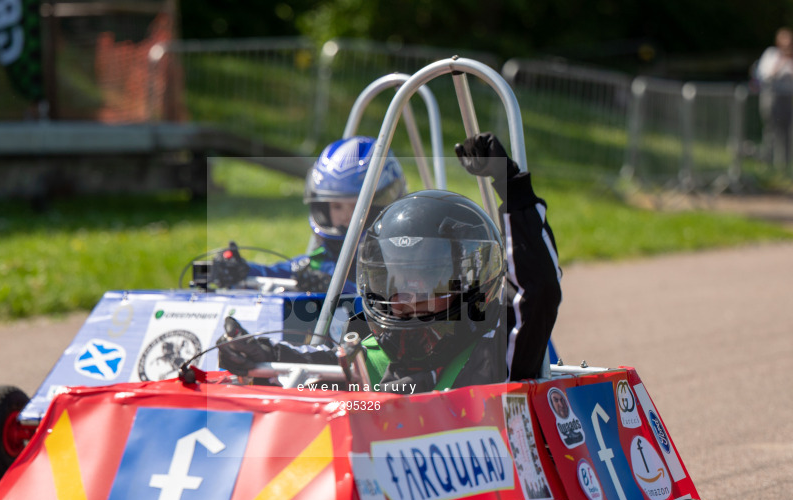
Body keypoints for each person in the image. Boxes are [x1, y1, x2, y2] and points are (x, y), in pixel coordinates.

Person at [217, 132, 562, 392]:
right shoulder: (368, 352)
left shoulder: (495, 352)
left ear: (470, 288)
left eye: (427, 280)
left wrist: (512, 188)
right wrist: (257, 355)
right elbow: (306, 371)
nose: (406, 295)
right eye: (395, 281)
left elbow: (540, 288)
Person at [209, 136, 407, 293]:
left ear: (381, 206)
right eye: (337, 207)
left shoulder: (398, 262)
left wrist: (336, 289)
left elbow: (389, 305)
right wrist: (240, 269)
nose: (346, 217)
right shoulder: (323, 262)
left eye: (356, 207)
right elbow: (282, 272)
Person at [753, 28, 793, 170]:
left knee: (787, 133)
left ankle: (783, 165)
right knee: (771, 131)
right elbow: (765, 75)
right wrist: (781, 62)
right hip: (772, 98)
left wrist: (792, 62)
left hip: (788, 100)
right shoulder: (771, 54)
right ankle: (767, 163)